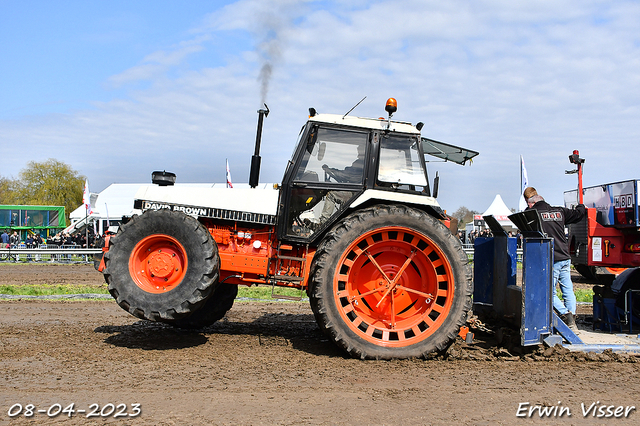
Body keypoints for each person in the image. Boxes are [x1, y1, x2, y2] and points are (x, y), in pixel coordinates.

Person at [524, 186, 586, 332]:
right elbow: (579, 214)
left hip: (551, 257)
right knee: (567, 288)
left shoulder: (533, 213)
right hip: (565, 256)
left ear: (530, 202)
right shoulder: (560, 211)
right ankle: (573, 319)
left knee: (549, 292)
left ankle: (566, 316)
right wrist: (581, 206)